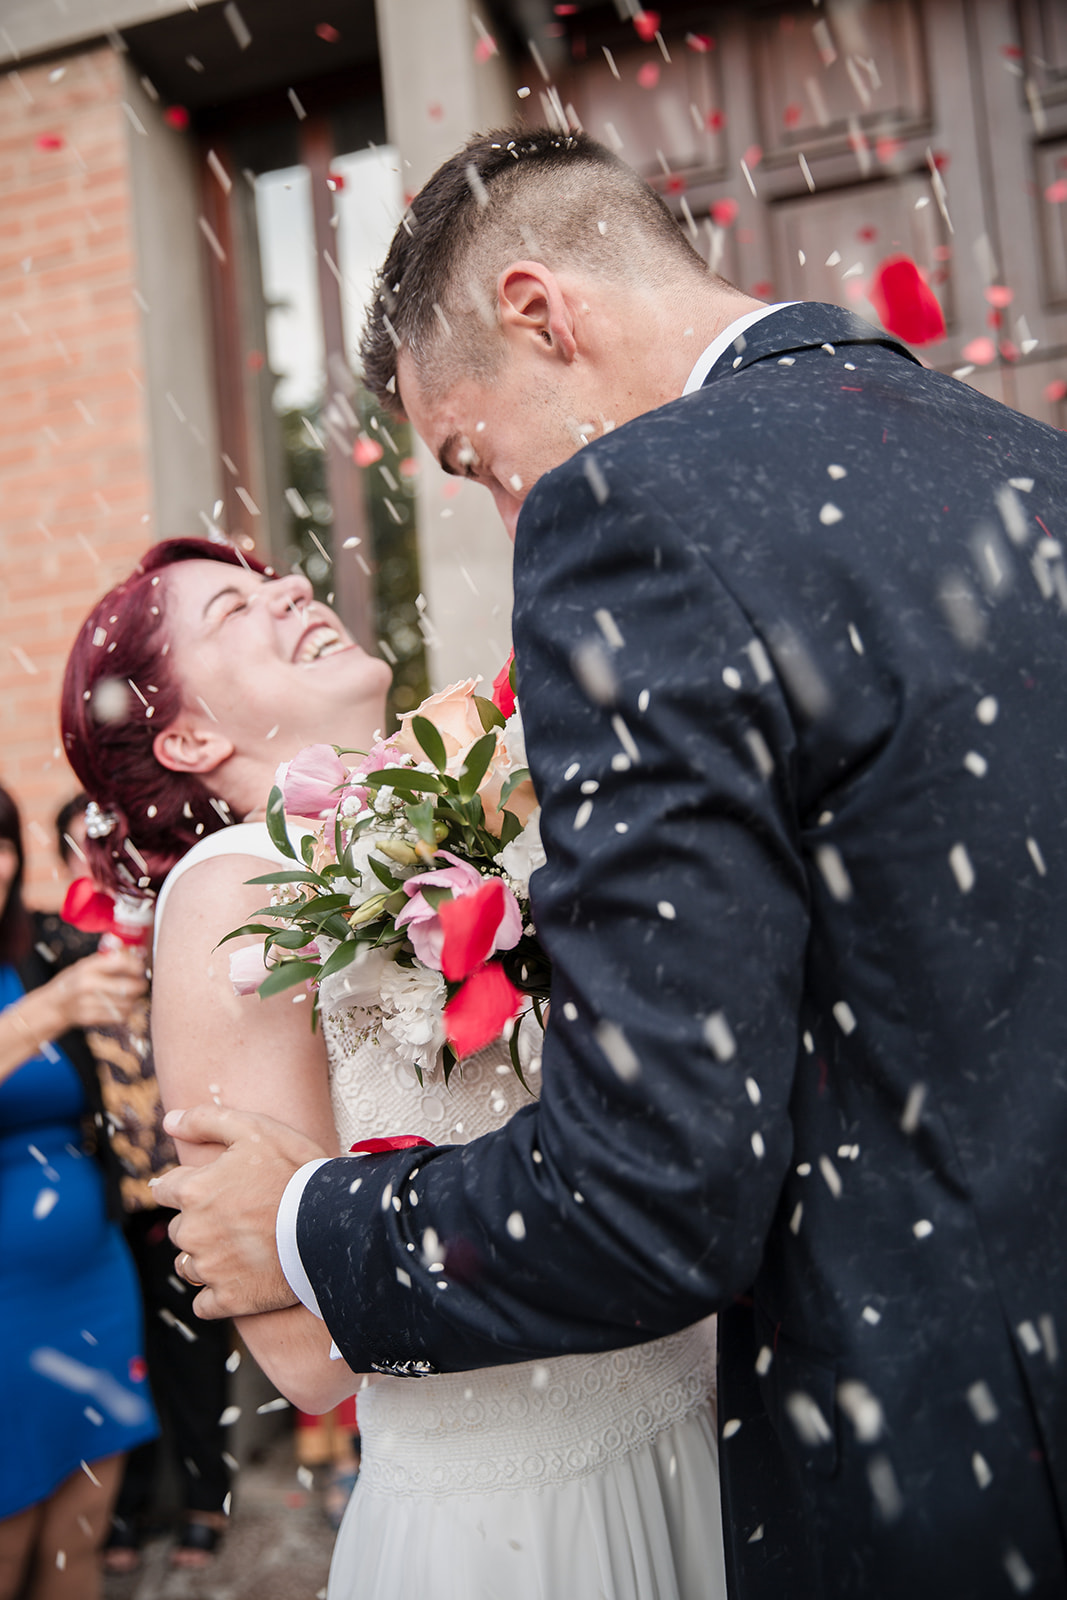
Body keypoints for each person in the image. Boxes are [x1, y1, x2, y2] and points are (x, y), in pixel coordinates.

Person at [149, 126, 1067, 1598]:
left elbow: (659, 1186)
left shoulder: (634, 512)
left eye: (471, 455)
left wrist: (303, 1221)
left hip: (912, 1473)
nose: (505, 509)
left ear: (540, 315)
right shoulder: (1025, 461)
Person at [60, 536, 725, 1599]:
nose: (289, 593)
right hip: (515, 1504)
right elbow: (305, 1360)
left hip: (692, 1410)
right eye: (232, 609)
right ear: (186, 735)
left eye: (277, 578)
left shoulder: (505, 805)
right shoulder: (232, 891)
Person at [55, 797, 232, 1573]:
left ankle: (205, 1501)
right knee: (117, 1360)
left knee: (196, 1350)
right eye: (82, 854)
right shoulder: (52, 957)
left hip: (180, 1183)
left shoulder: (174, 935)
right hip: (103, 1198)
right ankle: (124, 1512)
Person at [0, 782, 155, 1600]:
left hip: (90, 1276)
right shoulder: (44, 989)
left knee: (77, 1544)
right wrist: (49, 1012)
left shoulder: (39, 951)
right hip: (4, 1308)